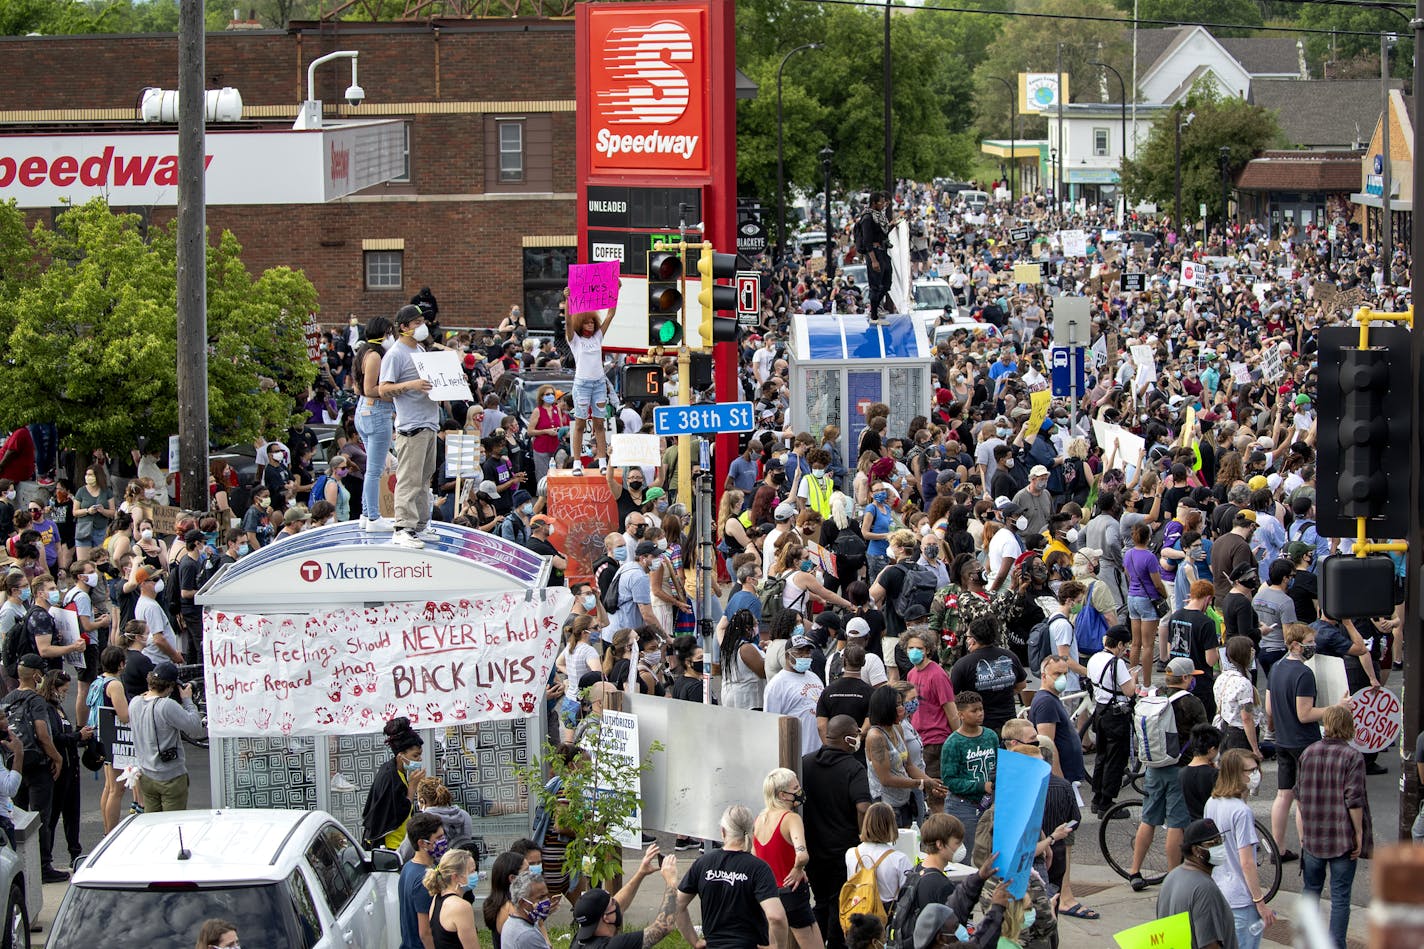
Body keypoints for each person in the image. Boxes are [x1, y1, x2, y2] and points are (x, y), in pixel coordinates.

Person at [1126, 657, 1208, 891]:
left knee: (1148, 819)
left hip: (1154, 766)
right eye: (1192, 676)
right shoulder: (1192, 703)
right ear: (1185, 678)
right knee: (1176, 823)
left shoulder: (1157, 695)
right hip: (1179, 768)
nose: (1193, 680)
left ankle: (1135, 871)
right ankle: (1174, 877)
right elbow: (1204, 734)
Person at [1267, 622, 1345, 863]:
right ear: (1296, 645)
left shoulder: (1276, 668)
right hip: (1304, 742)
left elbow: (1269, 708)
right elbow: (1305, 714)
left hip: (1283, 739)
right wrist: (1337, 708)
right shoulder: (1303, 673)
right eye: (1310, 643)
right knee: (1303, 800)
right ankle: (1307, 851)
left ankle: (1277, 849)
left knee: (1283, 795)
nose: (1313, 647)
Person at [1296, 704, 1372, 949]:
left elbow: (1300, 799)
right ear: (1348, 727)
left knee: (1311, 891)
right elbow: (1354, 799)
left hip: (1312, 838)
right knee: (1340, 897)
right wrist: (1358, 833)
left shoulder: (1307, 753)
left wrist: (1302, 836)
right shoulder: (1353, 757)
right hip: (1341, 838)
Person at [802, 715, 872, 949]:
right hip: (843, 851)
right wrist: (864, 836)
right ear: (847, 738)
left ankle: (814, 943)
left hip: (811, 849)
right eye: (857, 733)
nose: (859, 738)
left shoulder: (805, 763)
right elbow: (863, 806)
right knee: (839, 904)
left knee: (821, 902)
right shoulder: (854, 768)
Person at [676, 804, 788, 949]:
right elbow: (776, 916)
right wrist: (778, 946)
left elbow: (676, 905)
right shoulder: (759, 868)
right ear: (752, 831)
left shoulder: (703, 863)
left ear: (723, 832)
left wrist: (695, 942)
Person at [378, 303, 440, 549]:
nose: (421, 326)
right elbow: (383, 389)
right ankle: (402, 527)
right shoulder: (395, 354)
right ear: (403, 327)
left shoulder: (421, 349)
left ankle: (420, 525)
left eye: (422, 322)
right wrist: (412, 385)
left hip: (429, 422)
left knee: (424, 479)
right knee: (409, 479)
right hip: (411, 425)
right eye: (416, 323)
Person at [1, 654, 67, 880]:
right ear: (37, 675)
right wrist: (57, 758)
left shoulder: (7, 698)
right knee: (41, 818)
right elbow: (42, 734)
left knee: (17, 817)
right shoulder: (36, 700)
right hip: (38, 766)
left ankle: (21, 865)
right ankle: (44, 867)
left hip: (15, 765)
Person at [1205, 750, 1276, 949]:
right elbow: (1247, 862)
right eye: (1251, 770)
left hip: (1219, 892)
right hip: (1240, 899)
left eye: (1257, 769)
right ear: (1235, 774)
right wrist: (1259, 902)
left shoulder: (1212, 802)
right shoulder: (1241, 812)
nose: (1256, 774)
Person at [754, 768, 823, 949]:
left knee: (773, 944)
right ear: (783, 795)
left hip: (767, 895)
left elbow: (755, 858)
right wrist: (797, 869)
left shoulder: (759, 820)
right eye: (796, 788)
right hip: (791, 891)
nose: (800, 792)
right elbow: (802, 855)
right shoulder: (791, 819)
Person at [127, 659, 204, 812]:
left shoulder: (135, 702)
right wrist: (187, 700)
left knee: (153, 824)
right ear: (170, 686)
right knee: (172, 826)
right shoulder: (166, 706)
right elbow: (195, 727)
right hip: (171, 777)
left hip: (146, 775)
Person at [570, 849, 684, 949]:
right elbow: (663, 927)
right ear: (606, 918)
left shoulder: (579, 940)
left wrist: (641, 873)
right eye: (612, 903)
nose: (617, 903)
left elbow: (618, 905)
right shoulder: (613, 945)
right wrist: (671, 881)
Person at [1155, 818, 1239, 949]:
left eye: (1220, 841)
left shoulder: (1171, 877)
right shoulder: (1205, 889)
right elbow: (1209, 945)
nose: (1219, 847)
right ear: (1196, 850)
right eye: (1212, 844)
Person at [565, 290, 619, 475]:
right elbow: (568, 323)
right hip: (582, 385)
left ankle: (603, 461)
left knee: (599, 424)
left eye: (592, 321)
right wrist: (568, 300)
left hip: (598, 384)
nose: (590, 324)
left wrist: (615, 291)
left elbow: (611, 314)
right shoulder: (575, 341)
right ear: (580, 323)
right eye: (586, 322)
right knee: (579, 424)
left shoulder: (598, 337)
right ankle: (577, 463)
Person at [1087, 625, 1138, 816]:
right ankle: (1106, 804)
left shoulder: (1095, 658)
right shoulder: (1117, 664)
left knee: (1102, 756)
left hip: (1100, 711)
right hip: (1116, 716)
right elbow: (1129, 691)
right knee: (1115, 759)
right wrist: (1133, 677)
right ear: (1118, 644)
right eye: (1125, 647)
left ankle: (1097, 797)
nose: (1125, 650)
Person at [904, 627, 960, 800]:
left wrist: (958, 739)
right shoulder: (911, 674)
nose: (914, 652)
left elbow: (951, 712)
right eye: (911, 648)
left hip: (937, 742)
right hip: (918, 740)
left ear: (928, 649)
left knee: (937, 794)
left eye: (919, 648)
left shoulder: (937, 675)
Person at [939, 691, 997, 857]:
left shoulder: (991, 736)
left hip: (989, 804)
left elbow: (998, 766)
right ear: (961, 714)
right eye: (974, 710)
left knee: (989, 852)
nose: (980, 714)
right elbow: (949, 780)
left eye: (981, 709)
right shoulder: (953, 742)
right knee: (966, 855)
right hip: (963, 805)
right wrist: (981, 786)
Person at [353, 315, 397, 531]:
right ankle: (373, 517)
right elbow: (369, 388)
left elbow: (357, 388)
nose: (391, 337)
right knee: (374, 470)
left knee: (372, 468)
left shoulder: (363, 352)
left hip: (364, 410)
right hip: (376, 412)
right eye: (389, 333)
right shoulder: (375, 356)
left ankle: (366, 513)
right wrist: (394, 393)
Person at [947, 616, 1026, 735]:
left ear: (973, 639)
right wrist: (1003, 691)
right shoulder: (1010, 656)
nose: (967, 640)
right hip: (1009, 726)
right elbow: (1021, 685)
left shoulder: (963, 665)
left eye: (968, 637)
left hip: (979, 729)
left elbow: (953, 697)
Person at [362, 716, 425, 849]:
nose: (419, 759)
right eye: (415, 755)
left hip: (400, 843)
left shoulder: (397, 772)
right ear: (401, 755)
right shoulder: (390, 777)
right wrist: (412, 787)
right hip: (390, 847)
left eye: (420, 755)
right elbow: (397, 814)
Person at [1166, 579, 1222, 721]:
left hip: (1177, 680)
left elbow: (1168, 651)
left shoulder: (1175, 616)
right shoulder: (1206, 623)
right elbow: (1210, 661)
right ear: (1208, 598)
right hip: (1199, 683)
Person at [1029, 655, 1087, 785]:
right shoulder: (1046, 702)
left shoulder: (1051, 698)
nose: (1063, 678)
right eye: (1057, 674)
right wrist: (1059, 782)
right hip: (1062, 778)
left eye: (1065, 674)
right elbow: (1047, 745)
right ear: (1044, 676)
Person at [765, 634, 825, 756]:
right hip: (797, 753)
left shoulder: (814, 677)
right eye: (799, 652)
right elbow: (771, 724)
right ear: (787, 655)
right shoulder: (777, 684)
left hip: (819, 750)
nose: (805, 656)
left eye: (807, 652)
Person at [400, 812, 447, 949]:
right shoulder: (424, 879)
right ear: (421, 843)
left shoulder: (408, 867)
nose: (442, 841)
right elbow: (425, 932)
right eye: (438, 838)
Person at [1214, 636, 1264, 759]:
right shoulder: (1243, 683)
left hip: (1225, 729)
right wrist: (1255, 749)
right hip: (1240, 736)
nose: (1253, 653)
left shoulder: (1222, 677)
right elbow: (1246, 719)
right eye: (1251, 650)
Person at [423, 847, 482, 949]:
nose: (475, 875)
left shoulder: (437, 898)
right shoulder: (461, 907)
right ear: (456, 877)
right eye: (472, 871)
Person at [856, 191, 898, 323]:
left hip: (883, 251)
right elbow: (867, 241)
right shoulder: (868, 218)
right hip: (874, 253)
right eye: (881, 202)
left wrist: (891, 226)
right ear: (874, 203)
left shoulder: (879, 217)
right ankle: (874, 314)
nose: (883, 205)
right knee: (876, 285)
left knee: (886, 283)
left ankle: (876, 309)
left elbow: (882, 234)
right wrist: (873, 260)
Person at [1181, 724, 1224, 822]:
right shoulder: (1215, 775)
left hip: (1188, 828)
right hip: (1210, 825)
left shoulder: (1181, 774)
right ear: (1212, 750)